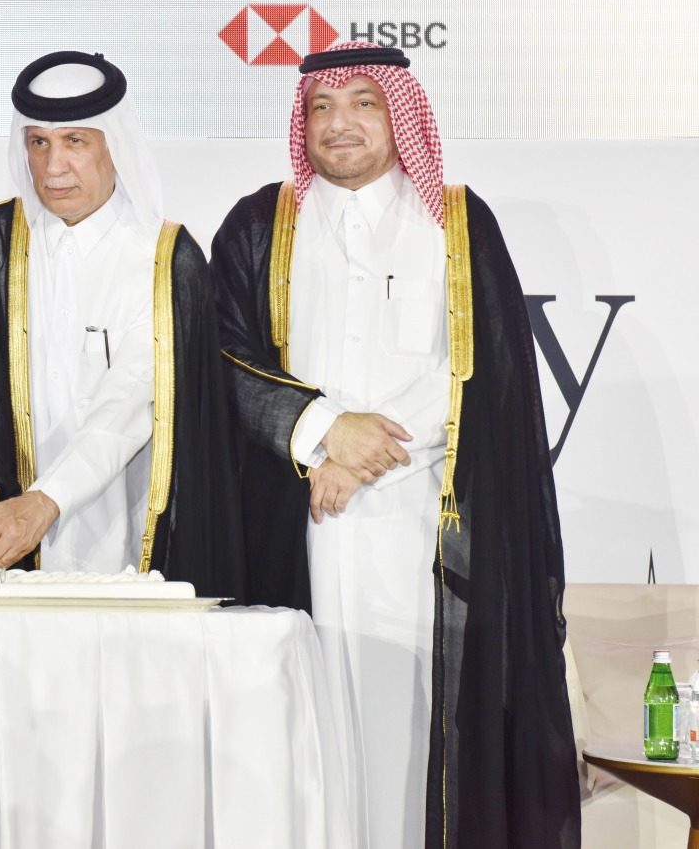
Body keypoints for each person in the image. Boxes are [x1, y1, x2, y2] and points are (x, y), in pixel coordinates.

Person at [209, 42, 579, 849]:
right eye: (320, 108)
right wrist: (320, 435)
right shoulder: (258, 224)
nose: (339, 124)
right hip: (297, 517)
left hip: (430, 528)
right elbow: (228, 356)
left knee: (425, 729)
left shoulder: (456, 222)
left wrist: (367, 453)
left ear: (400, 114)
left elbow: (487, 374)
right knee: (311, 730)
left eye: (364, 104)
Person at [0, 50, 244, 598]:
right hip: (8, 538)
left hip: (128, 536)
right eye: (39, 143)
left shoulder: (163, 256)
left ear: (113, 146)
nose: (53, 166)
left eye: (75, 142)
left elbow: (131, 403)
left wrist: (44, 502)